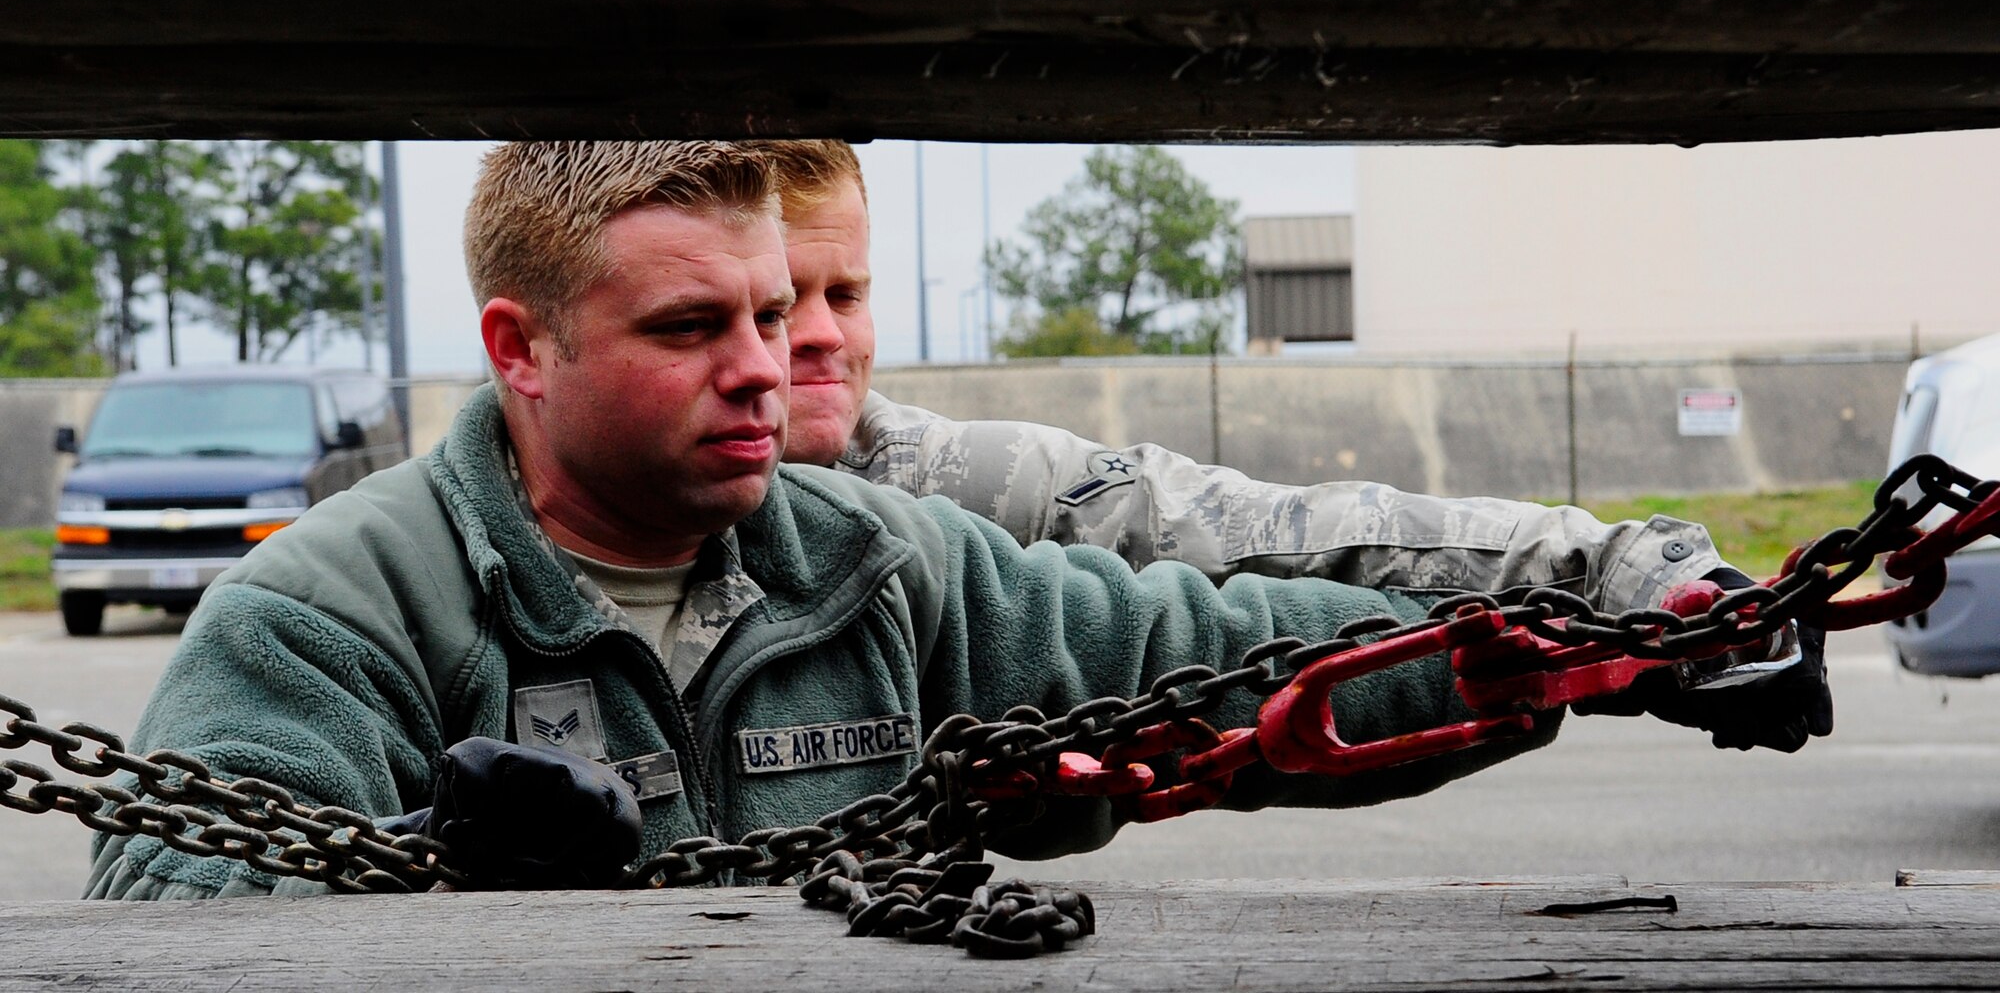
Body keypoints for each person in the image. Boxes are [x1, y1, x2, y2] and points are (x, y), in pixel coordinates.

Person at [85, 142, 1814, 901]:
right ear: (518, 349)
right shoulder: (334, 614)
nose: (773, 366)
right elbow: (177, 898)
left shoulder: (885, 559)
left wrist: (1609, 647)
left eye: (781, 311)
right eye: (695, 329)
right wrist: (433, 875)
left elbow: (1236, 662)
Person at [756, 139, 1830, 748]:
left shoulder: (940, 481)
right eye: (762, 301)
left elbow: (1269, 535)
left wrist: (1613, 582)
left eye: (842, 291)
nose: (813, 334)